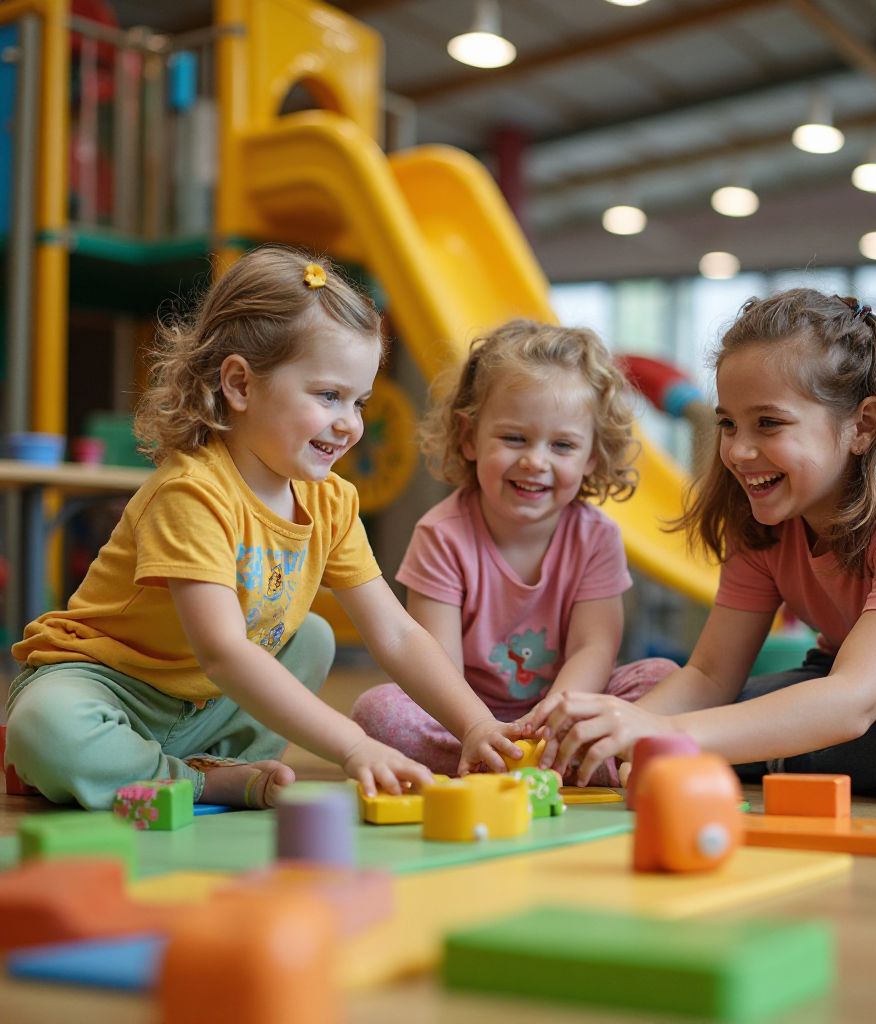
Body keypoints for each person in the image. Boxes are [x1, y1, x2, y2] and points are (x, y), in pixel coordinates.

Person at [6, 246, 522, 810]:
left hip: (208, 704)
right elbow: (224, 652)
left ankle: (190, 767)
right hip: (113, 689)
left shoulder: (332, 502)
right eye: (329, 396)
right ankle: (198, 780)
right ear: (241, 385)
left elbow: (395, 633)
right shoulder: (192, 493)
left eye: (360, 401)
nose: (350, 424)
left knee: (312, 639)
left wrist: (476, 724)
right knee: (46, 727)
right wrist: (352, 747)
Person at [523, 289, 876, 800]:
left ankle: (753, 754)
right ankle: (769, 752)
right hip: (843, 678)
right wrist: (620, 730)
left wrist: (669, 736)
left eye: (769, 423)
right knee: (729, 707)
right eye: (727, 424)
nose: (738, 450)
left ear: (863, 426)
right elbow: (711, 673)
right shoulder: (764, 522)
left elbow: (855, 699)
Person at [351, 319, 677, 779]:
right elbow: (437, 661)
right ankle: (544, 763)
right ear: (469, 437)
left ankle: (540, 760)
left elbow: (594, 648)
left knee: (664, 680)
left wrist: (554, 718)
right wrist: (478, 726)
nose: (534, 461)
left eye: (562, 445)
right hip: (465, 712)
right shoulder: (442, 534)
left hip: (571, 708)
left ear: (591, 458)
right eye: (514, 438)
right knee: (378, 711)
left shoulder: (596, 536)